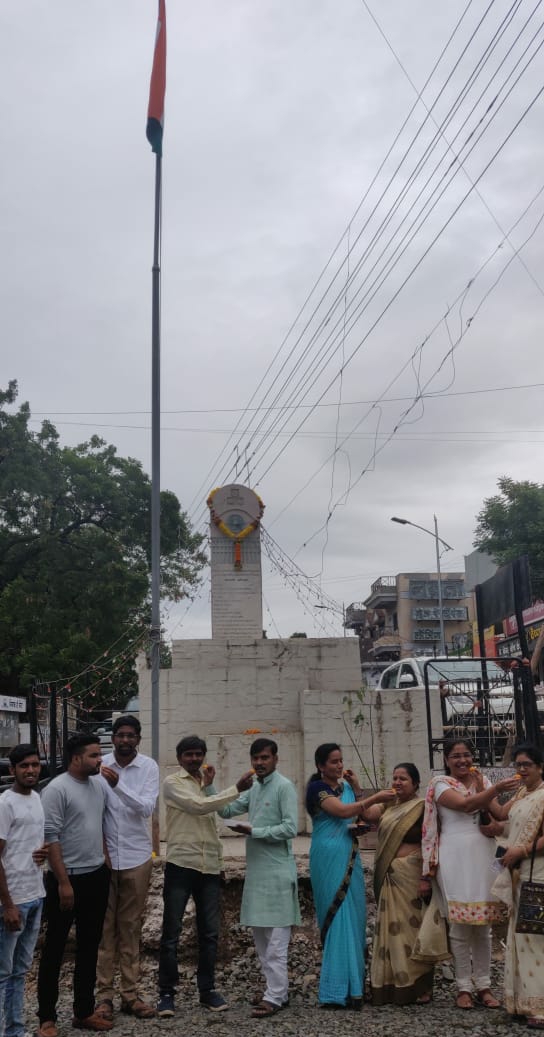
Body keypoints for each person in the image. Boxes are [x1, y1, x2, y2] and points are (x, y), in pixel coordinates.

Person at [156, 735, 254, 1017]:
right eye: (189, 754)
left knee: (210, 933)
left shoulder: (207, 784)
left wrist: (219, 862)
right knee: (171, 933)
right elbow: (199, 806)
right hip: (181, 864)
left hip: (209, 866)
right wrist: (236, 789)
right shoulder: (172, 783)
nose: (194, 759)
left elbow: (214, 820)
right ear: (179, 758)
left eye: (198, 754)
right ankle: (166, 994)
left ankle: (207, 990)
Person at [421, 736, 519, 1011]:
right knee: (460, 925)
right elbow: (465, 805)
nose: (462, 760)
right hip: (454, 856)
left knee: (484, 926)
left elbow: (498, 812)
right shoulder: (440, 784)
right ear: (446, 760)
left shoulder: (482, 781)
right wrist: (495, 788)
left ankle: (484, 985)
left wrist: (519, 794)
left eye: (466, 754)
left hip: (484, 854)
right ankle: (463, 986)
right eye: (456, 756)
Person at [218, 737, 300, 1018]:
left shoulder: (284, 786)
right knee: (262, 941)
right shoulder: (254, 787)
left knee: (276, 943)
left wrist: (255, 831)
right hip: (257, 874)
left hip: (278, 873)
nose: (259, 763)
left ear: (276, 758)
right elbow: (225, 810)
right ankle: (276, 990)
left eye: (265, 757)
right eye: (255, 758)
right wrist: (218, 787)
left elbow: (290, 828)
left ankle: (275, 996)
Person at [37, 733, 111, 1037]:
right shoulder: (56, 789)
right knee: (54, 948)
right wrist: (63, 882)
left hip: (96, 875)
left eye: (99, 754)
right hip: (66, 879)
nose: (99, 760)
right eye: (94, 755)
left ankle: (83, 1012)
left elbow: (99, 825)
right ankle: (46, 1018)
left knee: (90, 946)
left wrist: (104, 861)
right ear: (76, 758)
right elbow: (51, 837)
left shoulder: (98, 785)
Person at [305, 743, 386, 1009]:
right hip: (328, 855)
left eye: (341, 761)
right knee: (337, 914)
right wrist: (374, 797)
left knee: (354, 916)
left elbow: (369, 816)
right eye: (333, 762)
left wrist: (359, 788)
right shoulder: (317, 789)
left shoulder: (347, 788)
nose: (339, 766)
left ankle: (354, 989)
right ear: (321, 766)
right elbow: (341, 812)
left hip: (349, 853)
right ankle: (334, 991)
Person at [95, 716, 159, 1022]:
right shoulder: (100, 766)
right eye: (120, 735)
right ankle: (104, 997)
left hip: (136, 858)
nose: (124, 740)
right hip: (104, 860)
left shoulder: (148, 767)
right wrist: (102, 850)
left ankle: (130, 995)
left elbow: (146, 808)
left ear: (138, 739)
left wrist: (117, 786)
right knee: (104, 929)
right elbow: (94, 813)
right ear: (112, 738)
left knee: (130, 928)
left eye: (130, 735)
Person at [368, 762, 445, 1005]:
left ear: (415, 783)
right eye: (395, 778)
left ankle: (420, 986)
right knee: (390, 931)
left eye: (403, 779)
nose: (397, 782)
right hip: (390, 877)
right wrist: (359, 789)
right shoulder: (389, 805)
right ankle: (391, 986)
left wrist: (425, 877)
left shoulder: (422, 807)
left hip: (412, 877)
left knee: (413, 931)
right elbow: (367, 814)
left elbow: (431, 842)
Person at [490, 743, 544, 1028]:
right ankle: (521, 1001)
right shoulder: (523, 793)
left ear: (540, 767)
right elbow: (500, 815)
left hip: (539, 874)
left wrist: (521, 850)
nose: (522, 769)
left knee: (536, 937)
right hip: (519, 875)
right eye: (518, 764)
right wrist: (485, 788)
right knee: (519, 937)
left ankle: (540, 1007)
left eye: (527, 765)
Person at [0, 745, 47, 1037]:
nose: (30, 770)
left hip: (35, 894)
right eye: (24, 766)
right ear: (12, 770)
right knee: (3, 973)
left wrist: (42, 854)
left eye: (35, 765)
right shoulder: (5, 804)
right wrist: (8, 904)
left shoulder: (37, 798)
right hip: (12, 900)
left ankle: (15, 1030)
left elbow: (28, 844)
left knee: (20, 971)